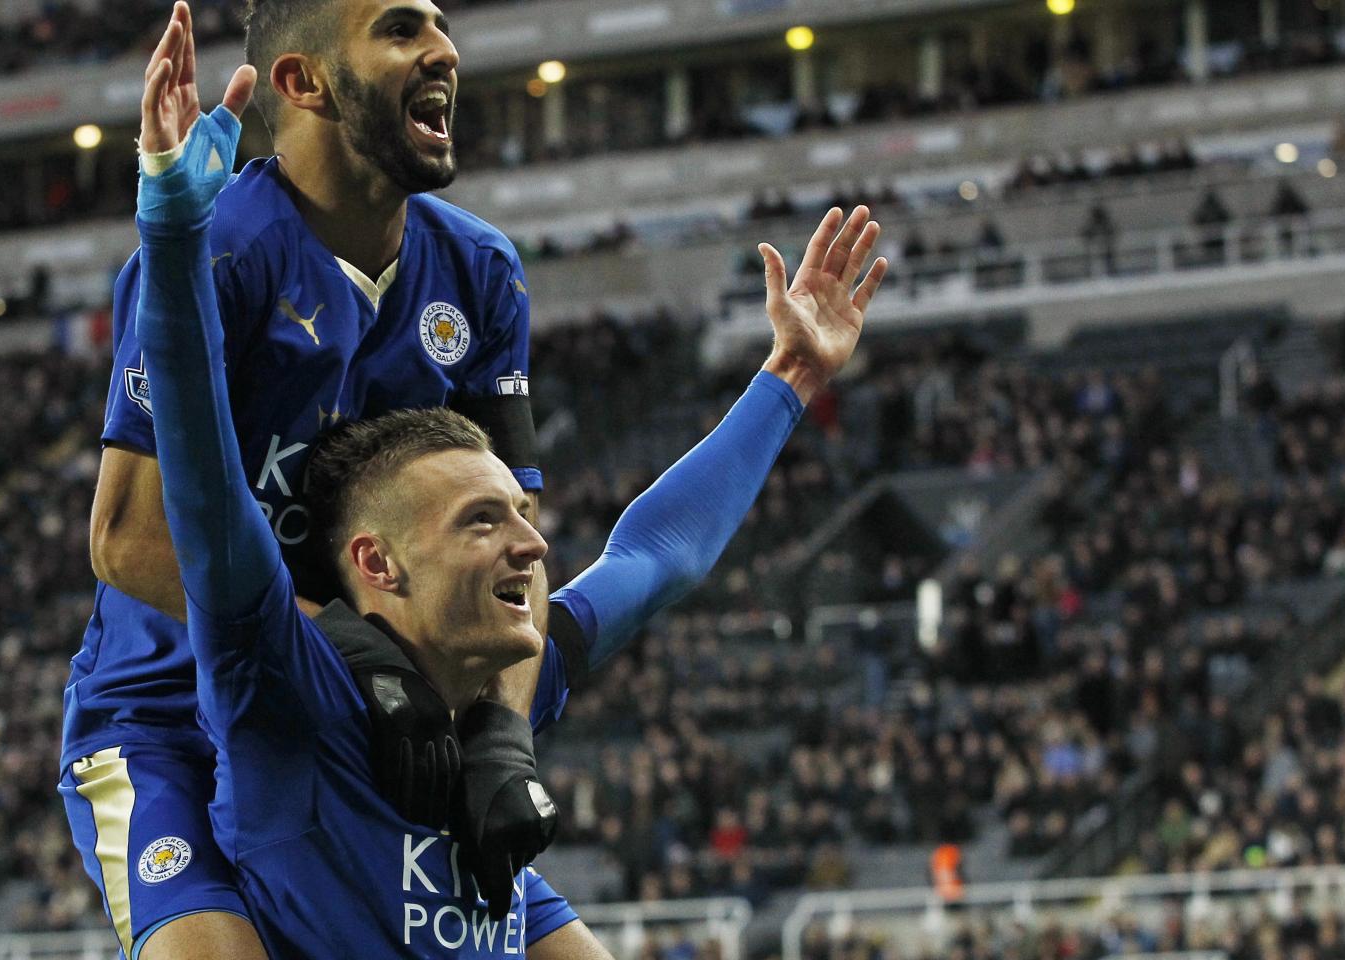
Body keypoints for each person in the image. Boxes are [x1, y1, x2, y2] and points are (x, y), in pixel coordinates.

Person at [130, 38, 885, 955]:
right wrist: (173, 240)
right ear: (378, 563)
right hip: (171, 761)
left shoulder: (496, 674)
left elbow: (656, 556)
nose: (530, 547)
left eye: (519, 517)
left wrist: (792, 375)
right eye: (483, 523)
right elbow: (200, 491)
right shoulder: (288, 679)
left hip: (471, 850)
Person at [60, 3, 557, 957]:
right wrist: (340, 651)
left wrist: (501, 734)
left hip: (382, 737)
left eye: (442, 25)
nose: (445, 50)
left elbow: (520, 543)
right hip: (171, 723)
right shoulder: (219, 252)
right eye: (402, 29)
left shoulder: (482, 273)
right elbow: (125, 538)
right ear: (304, 82)